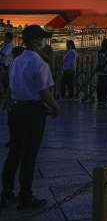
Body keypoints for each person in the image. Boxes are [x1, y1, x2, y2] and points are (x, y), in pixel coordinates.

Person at [0, 25, 60, 210]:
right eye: (42, 39)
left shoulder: (16, 61)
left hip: (16, 111)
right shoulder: (39, 64)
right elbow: (44, 92)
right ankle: (25, 197)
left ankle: (7, 194)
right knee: (29, 155)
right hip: (33, 112)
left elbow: (11, 85)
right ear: (36, 41)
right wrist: (56, 107)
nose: (44, 42)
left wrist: (7, 103)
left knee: (14, 153)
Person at [96, 38, 107, 102]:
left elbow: (98, 60)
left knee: (99, 83)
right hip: (106, 70)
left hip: (100, 69)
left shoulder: (99, 52)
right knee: (105, 84)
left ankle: (99, 96)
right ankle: (105, 96)